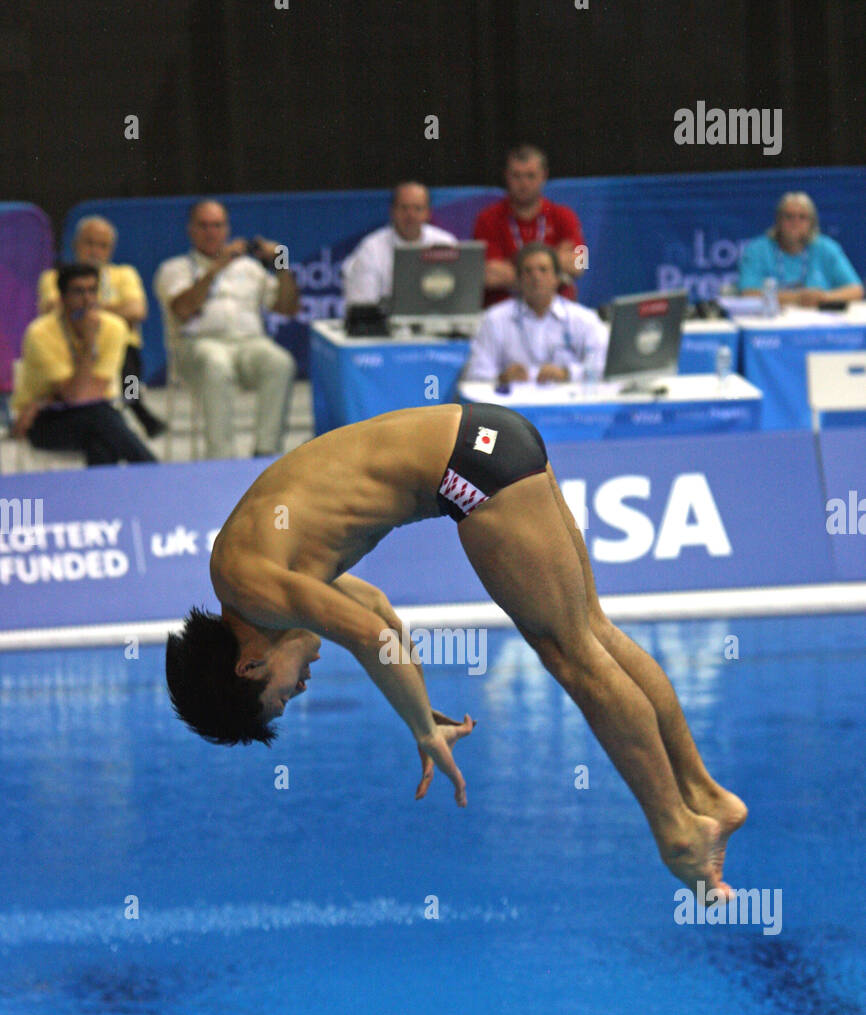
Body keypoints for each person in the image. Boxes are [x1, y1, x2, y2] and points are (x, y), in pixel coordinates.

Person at [166, 403, 746, 900]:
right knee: (589, 631)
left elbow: (372, 638)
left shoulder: (249, 585)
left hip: (470, 469)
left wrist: (421, 728)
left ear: (249, 666)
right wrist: (419, 700)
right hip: (484, 444)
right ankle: (704, 794)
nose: (300, 689)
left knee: (570, 653)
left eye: (280, 699)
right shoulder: (248, 578)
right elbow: (377, 610)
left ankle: (677, 831)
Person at [154, 200, 299, 459]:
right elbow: (183, 309)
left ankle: (266, 451)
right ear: (191, 230)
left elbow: (288, 308)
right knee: (216, 363)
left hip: (248, 345)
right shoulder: (174, 268)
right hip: (197, 348)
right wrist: (214, 270)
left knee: (280, 362)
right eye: (204, 225)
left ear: (227, 229)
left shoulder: (249, 268)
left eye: (218, 225)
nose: (211, 232)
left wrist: (281, 264)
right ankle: (220, 457)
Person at [12, 263, 156, 465]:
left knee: (102, 434)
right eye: (79, 292)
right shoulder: (40, 333)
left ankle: (138, 411)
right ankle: (151, 466)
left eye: (92, 291)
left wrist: (54, 396)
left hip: (108, 396)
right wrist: (89, 343)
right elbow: (77, 396)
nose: (87, 299)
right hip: (47, 419)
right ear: (62, 298)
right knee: (104, 419)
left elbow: (92, 393)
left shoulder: (114, 325)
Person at [38, 215, 165, 438]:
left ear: (111, 249)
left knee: (128, 364)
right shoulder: (54, 277)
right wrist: (114, 309)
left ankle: (134, 404)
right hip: (72, 349)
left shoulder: (124, 274)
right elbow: (52, 309)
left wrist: (85, 308)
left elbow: (136, 311)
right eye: (89, 243)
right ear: (75, 244)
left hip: (122, 350)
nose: (95, 250)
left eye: (102, 245)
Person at [464, 242, 607, 386]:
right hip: (511, 404)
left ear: (557, 278)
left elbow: (605, 365)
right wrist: (502, 377)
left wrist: (567, 373)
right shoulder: (495, 319)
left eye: (543, 270)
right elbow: (475, 373)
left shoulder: (583, 319)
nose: (536, 277)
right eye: (528, 271)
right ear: (518, 280)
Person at [473, 144, 585, 305]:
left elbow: (581, 264)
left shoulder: (565, 215)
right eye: (516, 176)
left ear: (544, 176)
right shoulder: (486, 219)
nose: (523, 183)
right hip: (503, 311)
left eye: (530, 176)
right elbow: (489, 275)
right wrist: (552, 266)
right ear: (506, 176)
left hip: (558, 307)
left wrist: (513, 267)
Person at [738, 192, 863, 307]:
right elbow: (748, 294)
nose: (795, 222)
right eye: (789, 216)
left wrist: (824, 297)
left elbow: (856, 290)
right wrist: (797, 298)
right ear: (778, 221)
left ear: (812, 223)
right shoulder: (757, 250)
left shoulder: (826, 248)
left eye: (802, 217)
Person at [341, 183, 457, 306]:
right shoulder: (371, 249)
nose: (410, 215)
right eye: (404, 208)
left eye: (417, 208)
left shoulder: (445, 243)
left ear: (428, 213)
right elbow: (363, 306)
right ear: (393, 211)